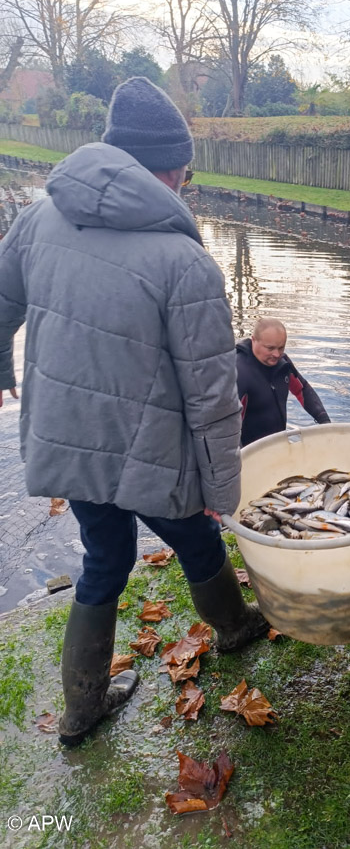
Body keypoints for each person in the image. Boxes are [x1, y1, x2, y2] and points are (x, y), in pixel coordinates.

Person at [0, 76, 268, 747]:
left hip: (67, 440)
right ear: (173, 168)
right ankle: (234, 629)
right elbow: (211, 399)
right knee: (199, 539)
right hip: (152, 451)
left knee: (104, 560)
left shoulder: (37, 217)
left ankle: (82, 708)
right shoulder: (185, 263)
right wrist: (221, 491)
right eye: (186, 168)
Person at [236, 318, 331, 446]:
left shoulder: (282, 364)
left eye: (281, 348)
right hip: (250, 451)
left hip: (278, 446)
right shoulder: (239, 372)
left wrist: (325, 422)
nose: (276, 354)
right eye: (270, 348)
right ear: (254, 340)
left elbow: (302, 390)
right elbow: (229, 425)